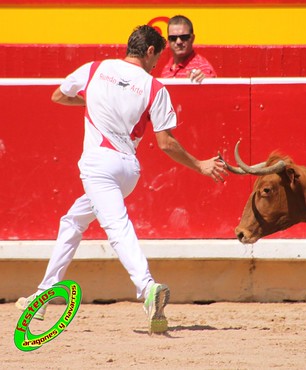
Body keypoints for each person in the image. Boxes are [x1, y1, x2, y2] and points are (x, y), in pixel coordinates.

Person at [15, 25, 227, 335]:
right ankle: (44, 293)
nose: (157, 64)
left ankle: (147, 287)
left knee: (116, 226)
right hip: (128, 170)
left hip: (99, 164)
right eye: (159, 56)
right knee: (72, 221)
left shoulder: (95, 68)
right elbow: (166, 143)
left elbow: (59, 95)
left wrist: (96, 104)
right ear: (150, 51)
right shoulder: (155, 87)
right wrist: (200, 165)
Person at [160, 15, 216, 82]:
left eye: (184, 37)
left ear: (192, 38)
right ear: (168, 41)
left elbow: (212, 89)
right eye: (173, 38)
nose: (178, 42)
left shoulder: (201, 68)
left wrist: (204, 81)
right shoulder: (167, 68)